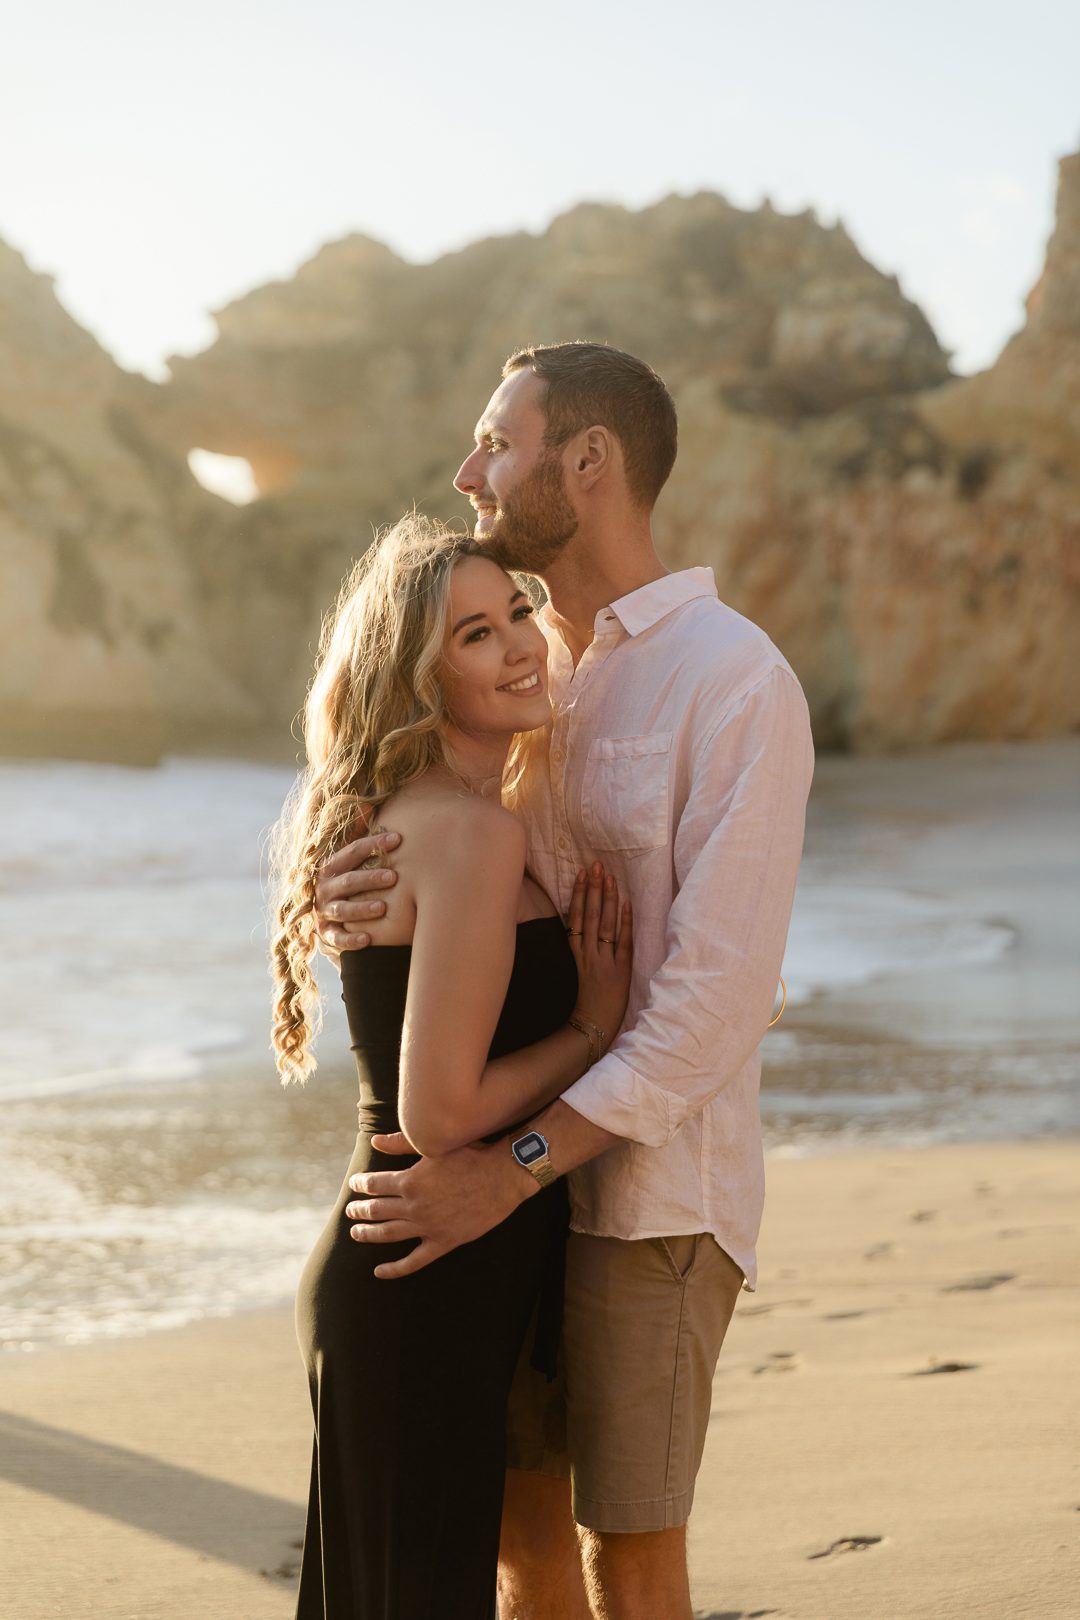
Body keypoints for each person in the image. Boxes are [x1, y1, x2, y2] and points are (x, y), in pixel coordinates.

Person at [314, 342, 815, 1620]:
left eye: (498, 440)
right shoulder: (541, 669)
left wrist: (513, 1166)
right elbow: (437, 821)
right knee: (515, 1542)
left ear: (585, 461)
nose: (468, 469)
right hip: (514, 1219)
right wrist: (355, 873)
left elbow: (715, 1006)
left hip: (647, 1196)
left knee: (626, 1555)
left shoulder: (733, 681)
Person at [270, 514, 633, 1619]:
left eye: (517, 611)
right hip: (420, 1282)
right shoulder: (471, 836)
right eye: (476, 634)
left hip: (411, 1274)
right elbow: (438, 1113)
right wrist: (592, 1027)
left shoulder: (442, 819)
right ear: (422, 679)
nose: (522, 642)